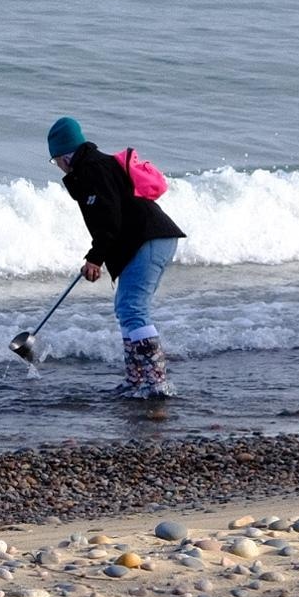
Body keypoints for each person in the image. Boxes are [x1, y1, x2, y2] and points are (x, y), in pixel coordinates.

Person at [47, 114, 183, 399]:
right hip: (149, 239)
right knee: (126, 308)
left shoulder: (93, 170)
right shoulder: (91, 168)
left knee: (133, 309)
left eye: (56, 159)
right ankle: (136, 381)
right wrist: (97, 257)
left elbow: (110, 220)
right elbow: (109, 222)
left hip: (149, 239)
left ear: (66, 155)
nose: (57, 166)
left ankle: (156, 383)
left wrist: (95, 258)